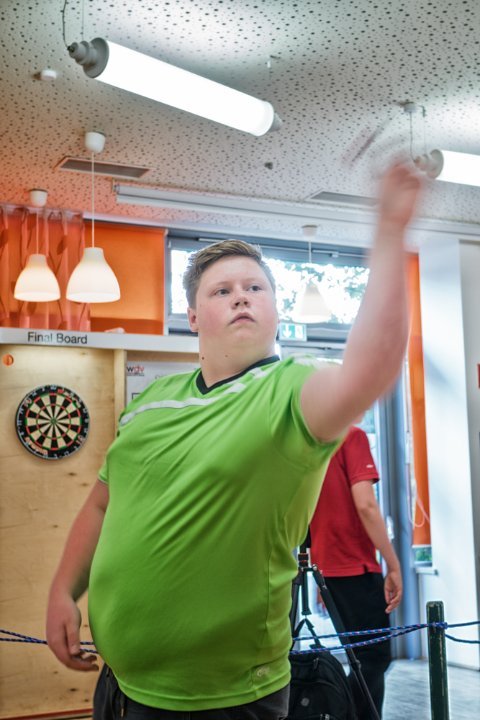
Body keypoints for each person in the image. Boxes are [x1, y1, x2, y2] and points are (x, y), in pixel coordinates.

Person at [46, 164, 421, 720]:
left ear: (275, 310)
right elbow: (104, 502)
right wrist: (62, 589)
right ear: (194, 316)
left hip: (225, 699)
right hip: (119, 684)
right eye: (222, 291)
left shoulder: (291, 388)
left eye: (255, 288)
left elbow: (368, 371)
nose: (241, 297)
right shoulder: (152, 400)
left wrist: (389, 233)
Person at [309, 425, 403, 719]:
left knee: (362, 660)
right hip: (355, 567)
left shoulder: (312, 441)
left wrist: (319, 573)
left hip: (329, 570)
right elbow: (366, 505)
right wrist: (393, 564)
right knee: (373, 658)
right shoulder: (352, 436)